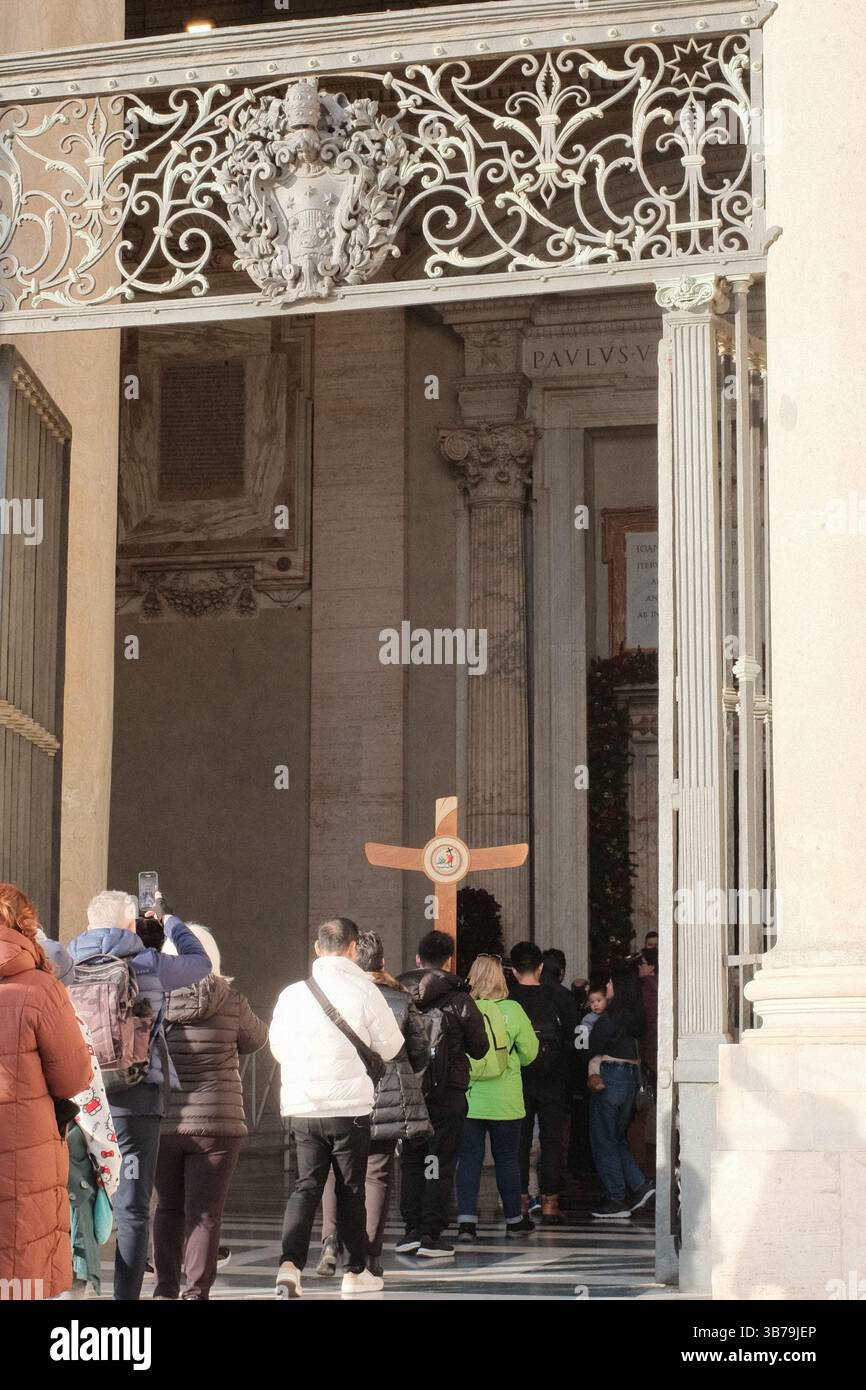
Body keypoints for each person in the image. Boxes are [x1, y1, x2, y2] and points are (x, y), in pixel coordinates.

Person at [68, 889, 211, 1300]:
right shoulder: (147, 961)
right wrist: (169, 921)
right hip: (136, 1098)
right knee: (131, 1210)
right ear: (131, 924)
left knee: (77, 1195)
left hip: (82, 1099)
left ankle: (78, 1286)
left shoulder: (66, 963)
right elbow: (200, 964)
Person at [270, 917, 405, 1298]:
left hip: (303, 1105)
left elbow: (277, 1047)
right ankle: (354, 1271)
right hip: (349, 1107)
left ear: (317, 948)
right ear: (352, 948)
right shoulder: (365, 991)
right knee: (350, 1189)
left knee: (305, 1186)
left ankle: (289, 1267)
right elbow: (392, 1047)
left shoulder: (292, 993)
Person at [152, 925, 268, 1300]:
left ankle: (164, 1290)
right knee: (205, 1213)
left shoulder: (153, 997)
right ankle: (195, 1293)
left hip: (164, 1120)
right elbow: (257, 1038)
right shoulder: (231, 999)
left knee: (167, 1208)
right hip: (218, 1123)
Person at [318, 930, 431, 1279]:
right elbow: (419, 1051)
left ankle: (330, 1241)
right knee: (377, 1174)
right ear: (382, 962)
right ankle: (369, 1254)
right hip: (383, 1095)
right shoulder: (398, 998)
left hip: (337, 1092)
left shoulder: (327, 994)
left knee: (335, 1168)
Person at [0, 884, 93, 1300]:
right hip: (26, 1147)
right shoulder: (40, 990)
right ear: (26, 924)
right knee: (21, 1269)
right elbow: (73, 1078)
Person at [38, 930, 121, 1300]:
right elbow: (92, 1109)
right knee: (69, 1279)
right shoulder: (68, 1023)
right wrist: (109, 1169)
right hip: (62, 1162)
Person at [398, 929, 488, 1258]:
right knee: (439, 1161)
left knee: (410, 1160)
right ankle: (431, 1234)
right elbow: (480, 1048)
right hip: (448, 1092)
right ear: (448, 960)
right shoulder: (460, 999)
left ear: (418, 959)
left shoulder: (399, 994)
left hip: (409, 1092)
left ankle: (410, 1230)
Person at [455, 953, 539, 1241]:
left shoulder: (463, 1008)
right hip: (506, 1100)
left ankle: (467, 1222)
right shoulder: (513, 1010)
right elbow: (530, 1054)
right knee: (507, 1159)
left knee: (468, 1160)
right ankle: (514, 1220)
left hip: (470, 1097)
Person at [509, 941, 572, 1224]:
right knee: (552, 1141)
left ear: (512, 970)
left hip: (518, 1078)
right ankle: (550, 1204)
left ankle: (521, 1203)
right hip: (554, 1077)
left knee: (519, 1142)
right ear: (541, 967)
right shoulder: (559, 996)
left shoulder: (508, 999)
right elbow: (573, 1039)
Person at [587, 967, 655, 1220]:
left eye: (611, 981)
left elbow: (593, 1046)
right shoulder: (637, 1018)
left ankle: (616, 1198)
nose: (607, 985)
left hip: (610, 1077)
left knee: (604, 1139)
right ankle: (639, 1186)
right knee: (617, 1138)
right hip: (630, 1079)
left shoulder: (609, 1019)